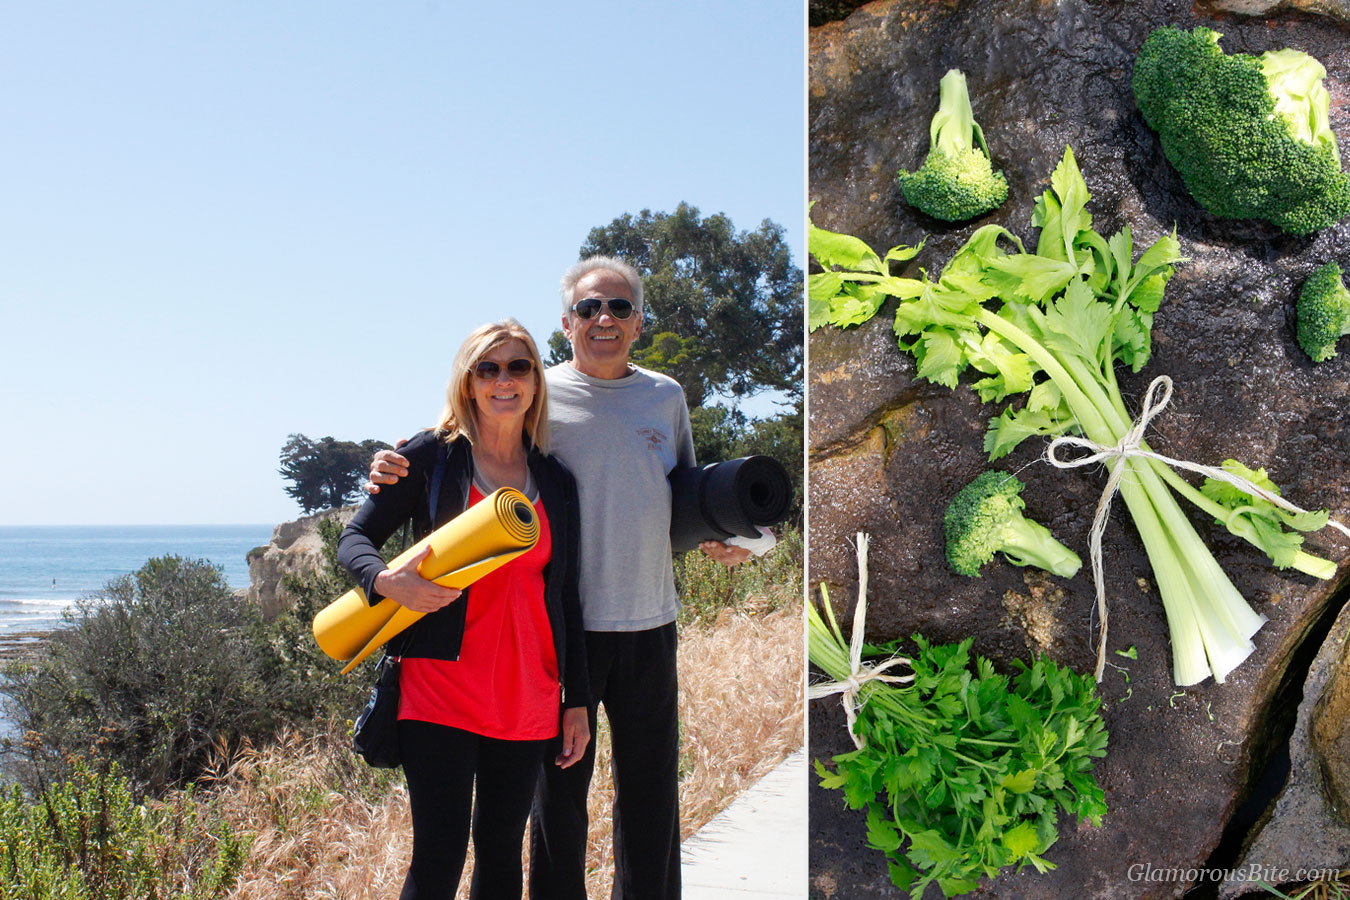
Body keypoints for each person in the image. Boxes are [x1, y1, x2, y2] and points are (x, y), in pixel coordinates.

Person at [367, 257, 750, 899]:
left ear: (638, 322)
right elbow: (461, 437)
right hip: (558, 640)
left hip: (649, 621)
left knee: (651, 798)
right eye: (591, 309)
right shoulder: (538, 392)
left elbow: (685, 499)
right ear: (566, 322)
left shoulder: (665, 397)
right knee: (556, 814)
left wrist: (725, 536)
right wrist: (385, 464)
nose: (605, 319)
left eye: (620, 308)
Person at [338, 319, 591, 900]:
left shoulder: (554, 480)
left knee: (501, 856)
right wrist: (387, 581)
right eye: (488, 368)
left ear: (535, 382)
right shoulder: (431, 458)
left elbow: (566, 599)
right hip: (439, 691)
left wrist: (574, 700)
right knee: (438, 860)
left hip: (528, 694)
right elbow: (353, 541)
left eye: (518, 366)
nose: (504, 380)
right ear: (469, 382)